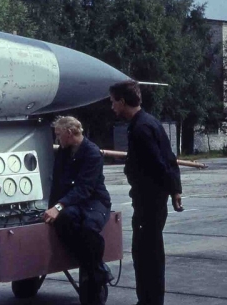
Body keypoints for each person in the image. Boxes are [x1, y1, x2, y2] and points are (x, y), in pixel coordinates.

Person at [109, 80, 183, 305]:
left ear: (122, 101)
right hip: (153, 202)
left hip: (148, 204)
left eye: (113, 102)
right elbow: (170, 159)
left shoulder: (141, 129)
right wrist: (175, 191)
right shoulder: (150, 122)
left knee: (145, 257)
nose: (112, 107)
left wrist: (168, 191)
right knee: (150, 254)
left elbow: (159, 165)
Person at [44, 116, 113, 305]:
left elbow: (85, 188)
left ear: (69, 133)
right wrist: (51, 209)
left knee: (89, 227)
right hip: (73, 202)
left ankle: (95, 270)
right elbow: (57, 183)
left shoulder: (92, 153)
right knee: (64, 221)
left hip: (94, 201)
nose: (57, 139)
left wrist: (59, 206)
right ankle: (95, 267)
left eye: (59, 135)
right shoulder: (64, 153)